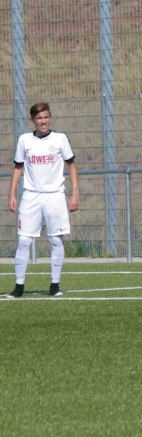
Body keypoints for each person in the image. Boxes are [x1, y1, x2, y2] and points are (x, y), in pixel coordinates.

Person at [7, 103, 79, 298]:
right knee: (24, 240)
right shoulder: (24, 140)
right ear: (33, 120)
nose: (43, 121)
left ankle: (55, 285)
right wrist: (11, 193)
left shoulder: (60, 139)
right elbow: (18, 167)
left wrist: (75, 194)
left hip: (55, 195)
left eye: (46, 117)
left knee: (56, 239)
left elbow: (71, 165)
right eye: (39, 118)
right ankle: (19, 287)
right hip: (31, 195)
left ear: (50, 118)